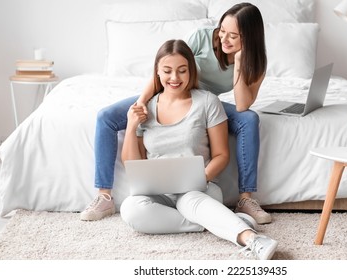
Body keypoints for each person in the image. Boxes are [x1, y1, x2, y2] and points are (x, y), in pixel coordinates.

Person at [80, 2, 271, 224]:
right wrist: (142, 102)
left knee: (249, 119)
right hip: (172, 92)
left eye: (233, 36)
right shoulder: (202, 38)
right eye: (222, 32)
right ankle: (104, 196)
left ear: (249, 38)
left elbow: (242, 105)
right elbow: (170, 65)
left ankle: (246, 198)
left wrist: (239, 62)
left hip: (205, 101)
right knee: (106, 117)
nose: (224, 40)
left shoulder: (256, 62)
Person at [119, 39, 277, 260]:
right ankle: (217, 222)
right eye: (167, 71)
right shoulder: (145, 110)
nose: (174, 78)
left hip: (201, 189)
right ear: (156, 72)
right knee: (130, 209)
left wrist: (200, 178)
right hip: (160, 194)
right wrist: (131, 126)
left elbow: (222, 155)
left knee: (189, 200)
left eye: (182, 71)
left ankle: (251, 238)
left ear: (191, 71)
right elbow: (133, 164)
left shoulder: (207, 102)